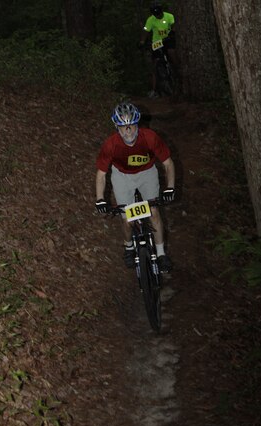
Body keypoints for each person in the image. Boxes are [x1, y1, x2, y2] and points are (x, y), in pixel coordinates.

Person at [95, 102, 175, 273]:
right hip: (122, 176)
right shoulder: (111, 144)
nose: (128, 130)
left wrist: (170, 188)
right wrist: (100, 199)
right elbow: (101, 174)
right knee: (126, 218)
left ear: (137, 124)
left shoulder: (150, 138)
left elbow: (168, 163)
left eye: (131, 125)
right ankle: (129, 246)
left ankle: (161, 254)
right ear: (117, 127)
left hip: (147, 173)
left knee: (153, 213)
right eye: (123, 127)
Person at [139, 2, 176, 98]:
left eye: (159, 14)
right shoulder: (151, 20)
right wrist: (142, 41)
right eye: (156, 15)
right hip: (157, 42)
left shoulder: (169, 16)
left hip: (168, 39)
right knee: (154, 65)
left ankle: (176, 68)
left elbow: (173, 25)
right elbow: (146, 31)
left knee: (171, 52)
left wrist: (173, 32)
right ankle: (154, 90)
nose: (158, 16)